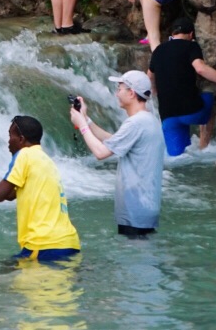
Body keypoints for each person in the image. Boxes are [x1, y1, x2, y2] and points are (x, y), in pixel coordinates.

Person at [0, 115, 80, 262]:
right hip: (68, 242)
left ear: (21, 139)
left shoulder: (24, 155)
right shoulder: (44, 160)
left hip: (44, 245)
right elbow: (8, 194)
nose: (8, 141)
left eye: (10, 136)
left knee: (11, 278)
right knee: (10, 272)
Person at [69, 70, 165, 237]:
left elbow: (100, 153)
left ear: (131, 93)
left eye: (119, 89)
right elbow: (113, 141)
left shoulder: (135, 123)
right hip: (144, 207)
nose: (116, 93)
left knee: (135, 260)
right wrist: (86, 118)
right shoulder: (148, 120)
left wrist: (81, 125)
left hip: (136, 210)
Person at [147, 17, 216, 157]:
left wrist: (154, 90)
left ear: (172, 34)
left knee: (177, 157)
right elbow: (201, 69)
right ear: (191, 34)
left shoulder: (158, 50)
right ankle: (204, 148)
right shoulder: (191, 46)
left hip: (167, 115)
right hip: (192, 111)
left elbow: (149, 76)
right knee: (208, 98)